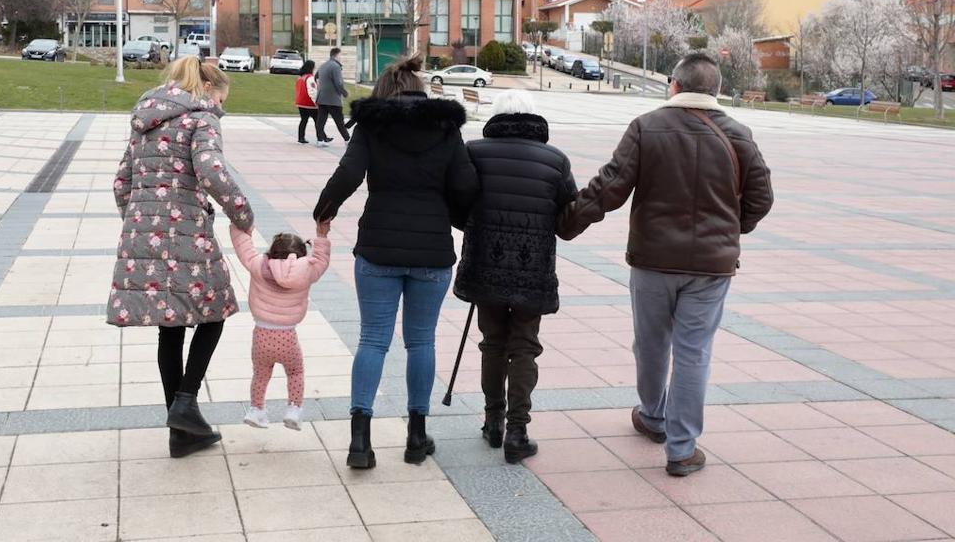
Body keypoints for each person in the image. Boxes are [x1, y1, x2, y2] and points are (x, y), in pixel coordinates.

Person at [558, 52, 774, 477]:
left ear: (673, 84)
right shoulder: (739, 134)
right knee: (694, 352)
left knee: (652, 342)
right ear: (715, 90)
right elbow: (761, 199)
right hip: (711, 268)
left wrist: (567, 222)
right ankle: (682, 448)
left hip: (653, 260)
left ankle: (653, 417)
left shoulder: (647, 127)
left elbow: (610, 186)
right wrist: (730, 232)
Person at [314, 55, 478, 469]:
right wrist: (462, 216)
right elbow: (465, 184)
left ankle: (360, 442)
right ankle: (416, 436)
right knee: (420, 341)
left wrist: (324, 212)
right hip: (432, 250)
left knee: (373, 340)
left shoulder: (372, 125)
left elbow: (348, 174)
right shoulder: (446, 128)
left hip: (378, 248)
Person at [108, 56, 254, 459]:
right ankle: (187, 401)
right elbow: (210, 170)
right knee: (215, 312)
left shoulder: (145, 120)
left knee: (170, 328)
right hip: (187, 229)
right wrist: (242, 212)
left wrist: (138, 219)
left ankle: (180, 430)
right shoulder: (201, 118)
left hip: (144, 233)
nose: (222, 106)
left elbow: (122, 182)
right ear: (209, 90)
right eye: (223, 98)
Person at [454, 90, 577, 463]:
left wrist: (475, 226)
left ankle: (493, 421)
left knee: (492, 343)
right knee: (524, 344)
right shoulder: (555, 160)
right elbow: (565, 220)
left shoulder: (473, 152)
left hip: (485, 264)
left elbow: (459, 207)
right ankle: (517, 430)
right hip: (533, 267)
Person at [230, 221, 331, 430]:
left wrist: (240, 226)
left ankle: (256, 410)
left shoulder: (259, 265)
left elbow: (244, 249)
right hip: (287, 336)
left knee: (260, 374)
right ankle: (293, 409)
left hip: (261, 335)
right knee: (295, 372)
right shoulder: (307, 271)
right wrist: (321, 235)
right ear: (302, 254)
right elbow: (321, 260)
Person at [314, 47, 349, 145]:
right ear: (337, 55)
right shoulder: (335, 66)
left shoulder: (323, 65)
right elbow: (338, 83)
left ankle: (320, 140)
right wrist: (344, 92)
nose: (341, 57)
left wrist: (321, 87)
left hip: (321, 97)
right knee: (339, 121)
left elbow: (316, 77)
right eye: (340, 55)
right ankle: (347, 139)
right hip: (333, 99)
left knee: (320, 121)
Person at [294, 60, 319, 144]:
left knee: (303, 120)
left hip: (300, 103)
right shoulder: (310, 78)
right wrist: (316, 102)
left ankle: (301, 137)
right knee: (318, 121)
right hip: (309, 103)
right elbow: (312, 91)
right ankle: (321, 137)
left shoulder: (300, 78)